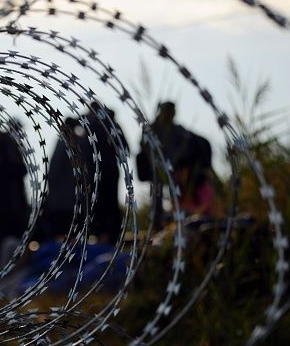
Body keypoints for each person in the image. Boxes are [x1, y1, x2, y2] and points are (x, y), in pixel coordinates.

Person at [136, 101, 216, 220]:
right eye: (169, 112)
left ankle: (176, 211)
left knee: (175, 186)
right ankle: (158, 215)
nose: (171, 115)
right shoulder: (153, 129)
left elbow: (189, 141)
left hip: (173, 168)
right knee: (158, 186)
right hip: (158, 167)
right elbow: (143, 145)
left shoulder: (177, 130)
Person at [83, 102, 128, 244]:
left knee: (101, 205)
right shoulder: (112, 125)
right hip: (111, 170)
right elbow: (125, 149)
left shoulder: (93, 127)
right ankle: (111, 236)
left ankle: (104, 236)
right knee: (110, 205)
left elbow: (86, 151)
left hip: (100, 173)